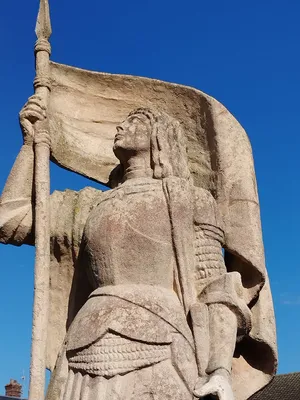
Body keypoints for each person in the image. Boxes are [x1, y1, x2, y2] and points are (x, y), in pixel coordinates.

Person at [0, 95, 253, 400]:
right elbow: (10, 220)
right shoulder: (86, 206)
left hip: (163, 348)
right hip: (82, 353)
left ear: (160, 136)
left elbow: (215, 291)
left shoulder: (188, 200)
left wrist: (220, 369)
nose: (121, 126)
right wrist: (29, 146)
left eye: (135, 121)